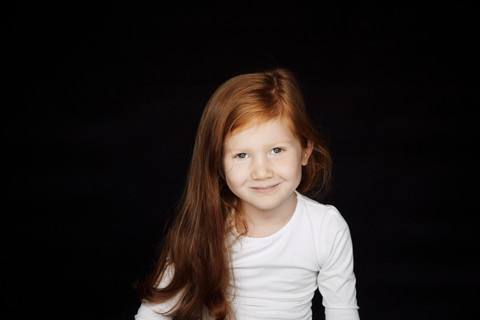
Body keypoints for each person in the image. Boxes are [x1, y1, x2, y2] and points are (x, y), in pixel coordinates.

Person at [134, 69, 360, 320]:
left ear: (305, 150)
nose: (261, 172)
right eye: (241, 155)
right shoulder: (206, 224)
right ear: (217, 162)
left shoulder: (326, 229)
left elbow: (343, 313)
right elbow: (154, 312)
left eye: (276, 150)